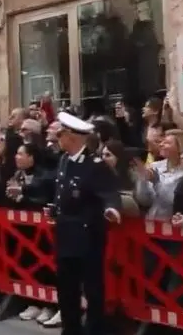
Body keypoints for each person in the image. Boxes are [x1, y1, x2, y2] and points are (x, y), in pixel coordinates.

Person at [49, 112, 121, 335]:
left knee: (92, 289)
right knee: (66, 289)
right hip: (65, 234)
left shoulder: (95, 165)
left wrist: (111, 208)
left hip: (87, 236)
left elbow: (109, 192)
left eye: (60, 134)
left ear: (72, 137)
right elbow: (62, 192)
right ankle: (71, 330)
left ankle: (94, 329)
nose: (57, 138)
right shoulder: (64, 160)